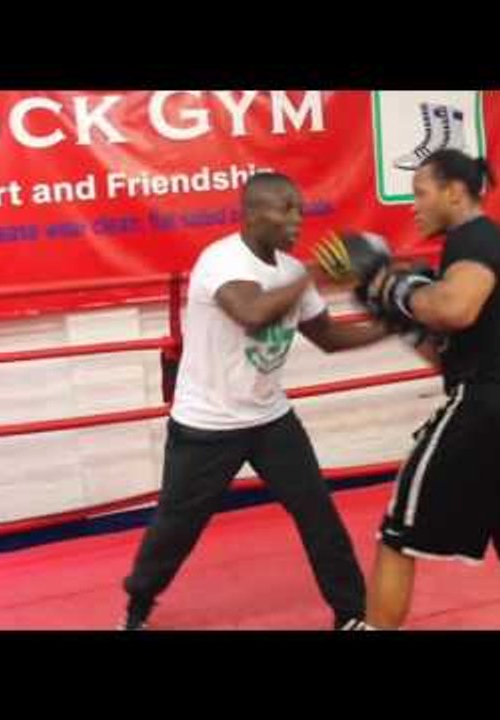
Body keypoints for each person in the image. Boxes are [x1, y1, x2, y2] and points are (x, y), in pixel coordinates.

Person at [326, 149, 500, 630]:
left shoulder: (474, 237)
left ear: (455, 192)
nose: (414, 206)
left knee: (396, 535)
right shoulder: (472, 247)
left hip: (484, 407)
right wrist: (399, 316)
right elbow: (448, 353)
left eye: (422, 193)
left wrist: (390, 286)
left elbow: (454, 309)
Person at [120, 172, 391, 630]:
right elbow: (251, 313)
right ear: (250, 214)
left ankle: (351, 614)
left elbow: (328, 337)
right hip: (207, 424)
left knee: (318, 514)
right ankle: (138, 605)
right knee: (177, 527)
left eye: (300, 209)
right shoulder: (221, 260)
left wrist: (394, 327)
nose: (297, 219)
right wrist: (313, 275)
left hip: (270, 420)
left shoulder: (292, 271)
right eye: (285, 209)